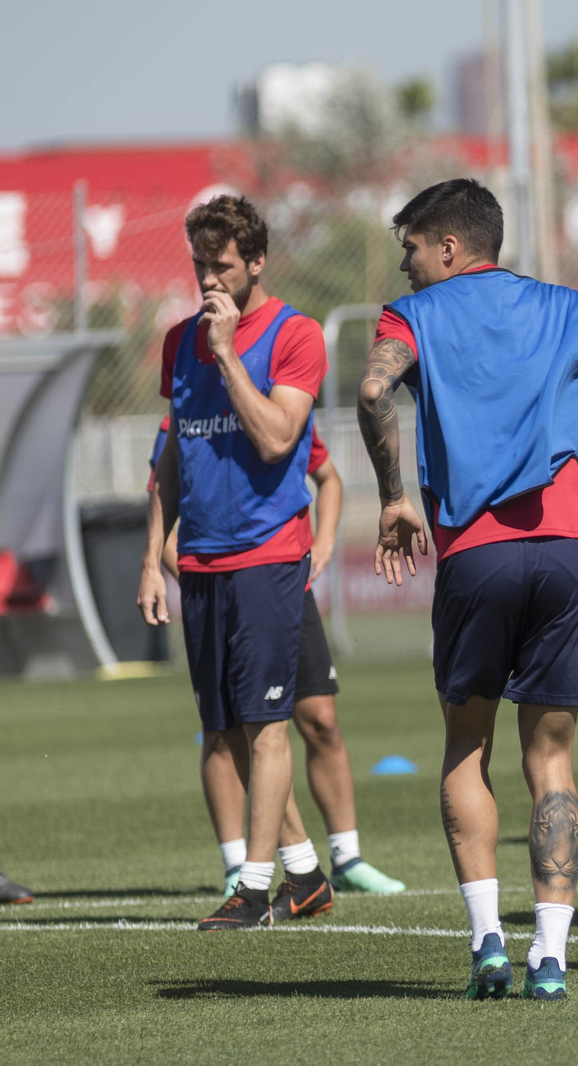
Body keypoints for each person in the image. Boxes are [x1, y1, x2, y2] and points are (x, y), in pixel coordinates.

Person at [356, 178, 578, 1000]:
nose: (409, 267)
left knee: (468, 744)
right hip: (569, 546)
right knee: (552, 755)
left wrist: (393, 497)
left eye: (412, 250)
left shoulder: (409, 318)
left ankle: (489, 940)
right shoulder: (571, 306)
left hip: (478, 551)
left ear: (449, 247)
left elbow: (374, 389)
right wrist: (567, 435)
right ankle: (551, 956)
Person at [138, 194, 334, 931]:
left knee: (267, 726)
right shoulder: (175, 341)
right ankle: (308, 875)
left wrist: (225, 354)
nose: (208, 281)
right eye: (199, 266)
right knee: (226, 729)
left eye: (222, 266)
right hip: (200, 562)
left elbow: (279, 438)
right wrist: (151, 560)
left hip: (266, 555)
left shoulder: (295, 334)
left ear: (256, 262)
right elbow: (173, 459)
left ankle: (255, 889)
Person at [149, 417, 404, 898]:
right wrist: (197, 579)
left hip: (279, 583)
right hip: (218, 585)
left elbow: (327, 478)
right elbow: (160, 509)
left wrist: (323, 542)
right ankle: (239, 864)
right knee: (226, 732)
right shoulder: (184, 408)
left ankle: (346, 857)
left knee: (320, 719)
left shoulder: (279, 407)